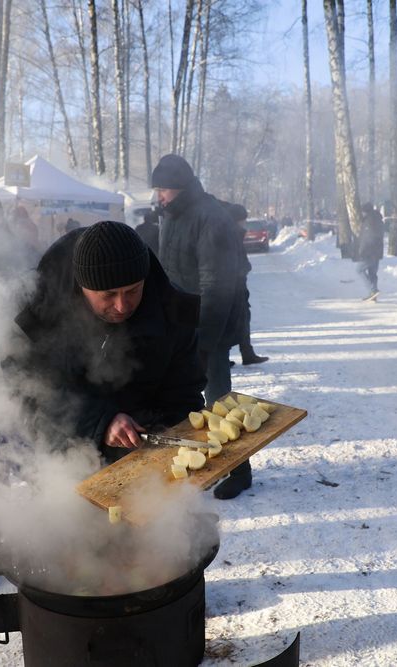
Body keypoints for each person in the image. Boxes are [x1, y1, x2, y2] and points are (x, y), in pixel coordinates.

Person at [11, 220, 206, 464]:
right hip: (64, 458)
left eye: (133, 290)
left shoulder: (173, 311)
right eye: (109, 295)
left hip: (144, 457)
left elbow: (184, 392)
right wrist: (100, 421)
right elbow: (26, 387)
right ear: (83, 287)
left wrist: (171, 439)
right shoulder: (40, 307)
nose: (122, 305)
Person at [151, 153, 250, 500]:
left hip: (210, 328)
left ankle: (240, 470)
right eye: (158, 189)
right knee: (187, 402)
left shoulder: (210, 218)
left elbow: (217, 285)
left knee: (220, 400)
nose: (159, 196)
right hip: (181, 325)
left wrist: (206, 342)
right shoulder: (173, 215)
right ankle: (206, 462)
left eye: (163, 189)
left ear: (180, 187)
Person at [225, 203, 268, 365]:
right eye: (243, 220)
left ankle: (246, 353)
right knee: (235, 320)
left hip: (236, 286)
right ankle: (227, 356)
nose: (245, 223)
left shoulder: (234, 233)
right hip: (232, 287)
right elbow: (237, 261)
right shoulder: (232, 234)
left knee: (242, 319)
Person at [353, 203, 385, 301]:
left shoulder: (368, 221)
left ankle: (372, 290)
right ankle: (373, 295)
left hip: (369, 251)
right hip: (378, 251)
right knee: (372, 273)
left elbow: (366, 238)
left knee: (359, 269)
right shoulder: (378, 220)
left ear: (365, 212)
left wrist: (361, 251)